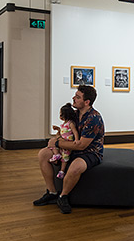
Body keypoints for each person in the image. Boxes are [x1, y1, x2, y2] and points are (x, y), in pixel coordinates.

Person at [33, 85, 104, 214]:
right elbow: (67, 132)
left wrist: (57, 143)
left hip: (90, 152)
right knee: (43, 154)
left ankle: (63, 196)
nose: (73, 98)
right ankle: (52, 192)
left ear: (87, 102)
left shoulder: (94, 118)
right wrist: (58, 138)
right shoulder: (75, 114)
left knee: (76, 167)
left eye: (78, 97)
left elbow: (81, 145)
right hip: (70, 149)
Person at [47, 103, 80, 179]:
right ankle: (56, 155)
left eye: (61, 114)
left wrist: (77, 140)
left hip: (67, 143)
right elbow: (62, 133)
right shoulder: (63, 124)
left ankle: (62, 171)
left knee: (65, 157)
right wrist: (58, 129)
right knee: (52, 146)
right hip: (62, 142)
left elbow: (75, 132)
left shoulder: (70, 123)